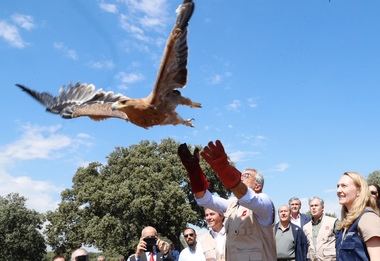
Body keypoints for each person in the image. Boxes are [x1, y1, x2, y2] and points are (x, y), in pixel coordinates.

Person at [178, 140, 276, 260]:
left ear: (258, 186)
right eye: (241, 175)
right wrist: (194, 173)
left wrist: (223, 168)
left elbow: (247, 197)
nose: (241, 177)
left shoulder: (265, 203)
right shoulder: (232, 205)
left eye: (247, 176)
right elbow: (204, 199)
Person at [336, 171, 380, 260]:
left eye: (344, 186)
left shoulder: (367, 218)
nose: (338, 190)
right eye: (338, 186)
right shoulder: (346, 224)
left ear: (359, 191)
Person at [303, 196, 337, 261]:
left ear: (322, 208)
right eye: (311, 206)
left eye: (316, 205)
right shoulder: (305, 227)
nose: (313, 208)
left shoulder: (332, 222)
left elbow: (340, 242)